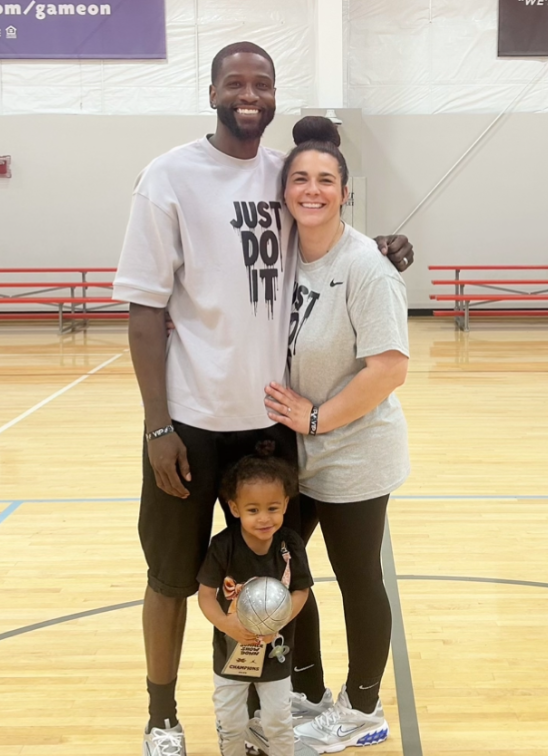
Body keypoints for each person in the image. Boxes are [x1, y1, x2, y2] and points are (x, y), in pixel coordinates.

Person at [112, 41, 414, 756]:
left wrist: (378, 249)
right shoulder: (169, 177)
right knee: (171, 578)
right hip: (189, 424)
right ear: (212, 89)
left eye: (262, 84)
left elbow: (322, 224)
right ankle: (162, 718)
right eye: (235, 82)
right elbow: (143, 314)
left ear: (274, 96)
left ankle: (272, 707)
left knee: (273, 575)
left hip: (271, 432)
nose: (249, 94)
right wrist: (158, 426)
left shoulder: (282, 172)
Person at [263, 116, 410, 752]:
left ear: (345, 191)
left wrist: (318, 419)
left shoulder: (367, 268)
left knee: (356, 578)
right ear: (284, 190)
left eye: (326, 179)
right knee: (292, 576)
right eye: (300, 178)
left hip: (353, 451)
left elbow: (390, 369)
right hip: (296, 457)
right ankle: (311, 692)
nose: (312, 189)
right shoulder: (282, 254)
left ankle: (363, 710)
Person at [197, 445, 312, 756]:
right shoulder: (223, 546)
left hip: (275, 655)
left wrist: (278, 620)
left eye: (273, 508)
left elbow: (301, 590)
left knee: (277, 721)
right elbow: (206, 595)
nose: (264, 518)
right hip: (230, 654)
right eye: (253, 510)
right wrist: (225, 624)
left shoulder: (289, 544)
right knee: (231, 722)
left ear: (286, 504)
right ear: (234, 508)